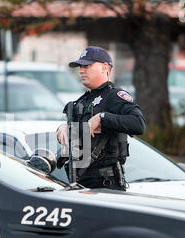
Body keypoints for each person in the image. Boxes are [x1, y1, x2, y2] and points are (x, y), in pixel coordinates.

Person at [56, 46, 146, 190]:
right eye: (80, 66)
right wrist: (64, 128)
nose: (81, 70)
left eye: (87, 65)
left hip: (106, 184)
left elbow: (139, 124)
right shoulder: (81, 101)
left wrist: (103, 117)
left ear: (105, 67)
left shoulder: (114, 95)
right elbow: (78, 142)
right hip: (78, 182)